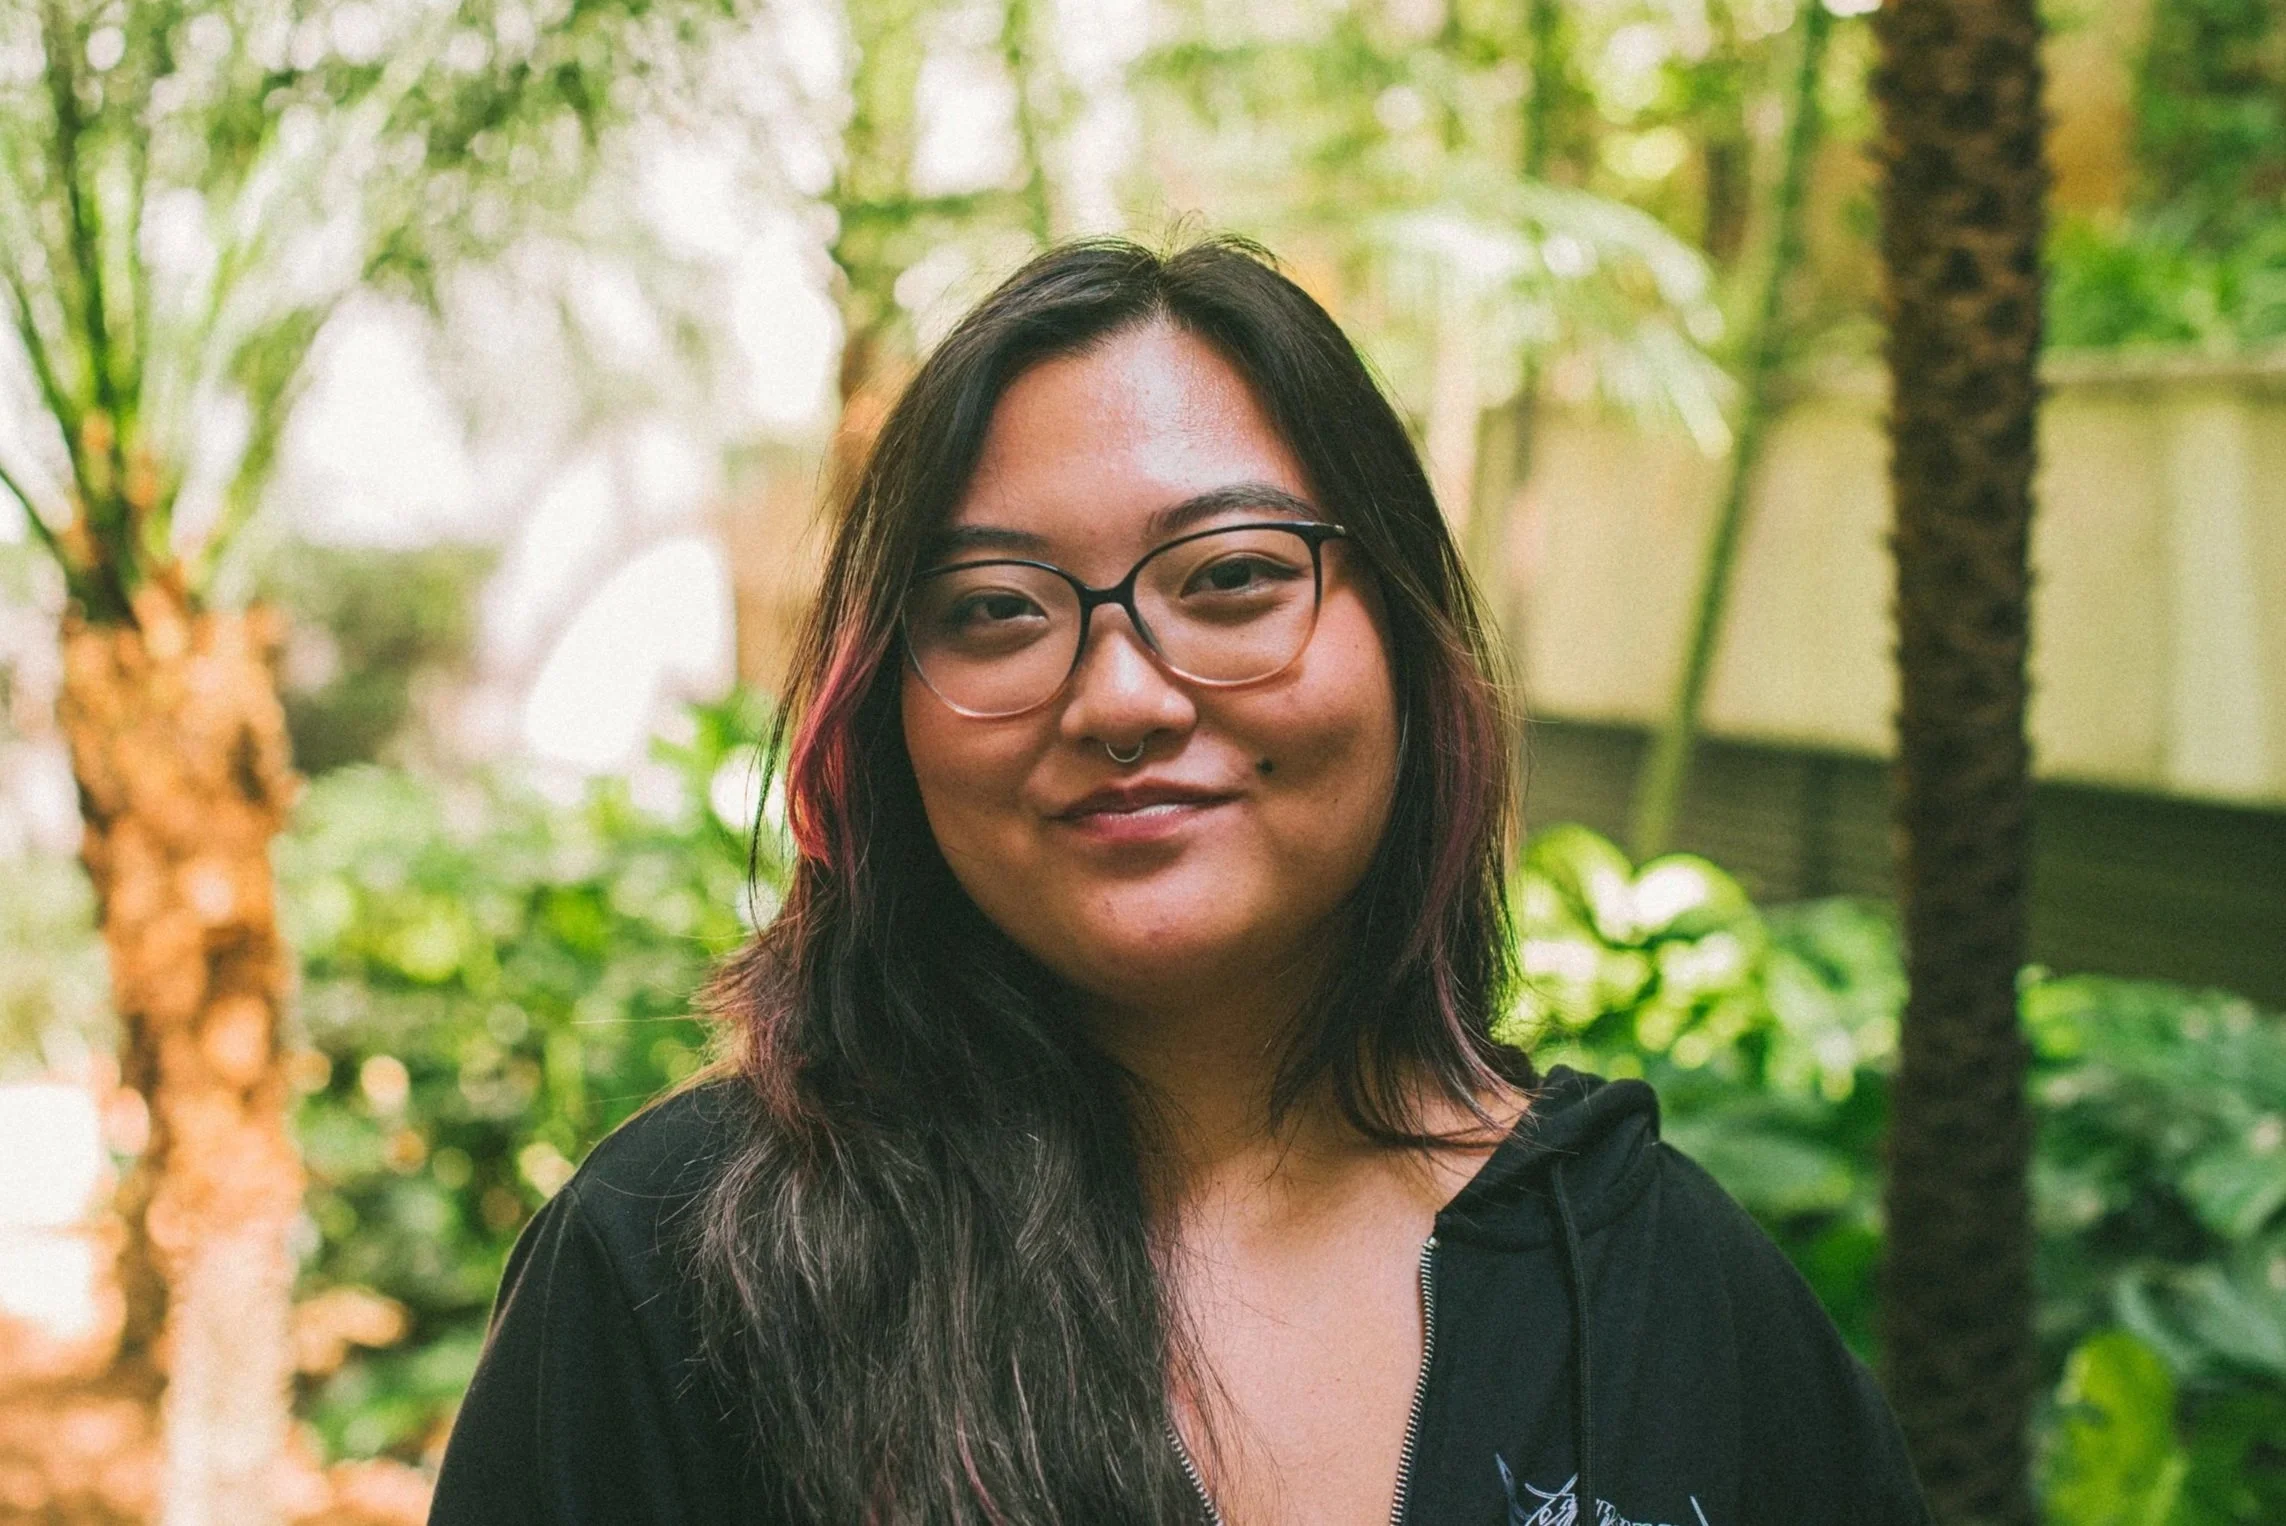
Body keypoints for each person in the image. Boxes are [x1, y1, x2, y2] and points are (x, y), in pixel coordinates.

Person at [428, 238, 1929, 1526]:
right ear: (888, 716)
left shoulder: (1662, 1286)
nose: (1122, 697)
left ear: (1406, 645)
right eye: (996, 609)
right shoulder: (673, 1273)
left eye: (1229, 577)